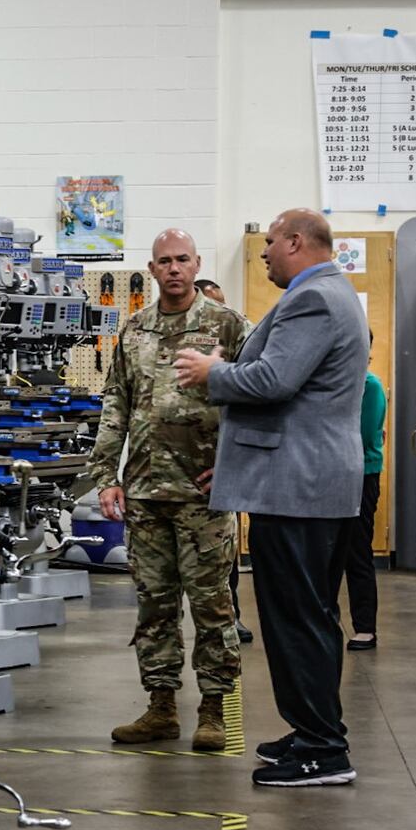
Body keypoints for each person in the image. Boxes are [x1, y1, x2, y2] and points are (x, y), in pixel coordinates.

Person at [173, 209, 369, 787]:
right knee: (307, 617)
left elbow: (272, 382)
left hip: (299, 488)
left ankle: (323, 750)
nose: (262, 255)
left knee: (298, 620)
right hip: (302, 483)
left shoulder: (314, 300)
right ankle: (312, 729)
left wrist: (213, 371)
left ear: (296, 242)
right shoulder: (333, 295)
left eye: (268, 245)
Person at [87, 230, 250, 751]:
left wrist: (235, 465)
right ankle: (160, 707)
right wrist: (106, 475)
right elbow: (116, 403)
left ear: (197, 263)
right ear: (152, 270)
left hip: (204, 495)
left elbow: (257, 398)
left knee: (211, 607)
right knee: (154, 606)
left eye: (182, 260)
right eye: (164, 262)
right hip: (145, 492)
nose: (174, 268)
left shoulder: (228, 326)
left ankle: (214, 709)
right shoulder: (134, 329)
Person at [196, 277, 255, 646]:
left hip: (222, 464)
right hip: (175, 468)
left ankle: (231, 614)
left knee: (226, 552)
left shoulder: (236, 341)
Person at [344, 344, 387, 651]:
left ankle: (365, 628)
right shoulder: (340, 381)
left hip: (361, 475)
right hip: (334, 475)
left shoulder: (369, 385)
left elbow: (362, 435)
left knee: (357, 552)